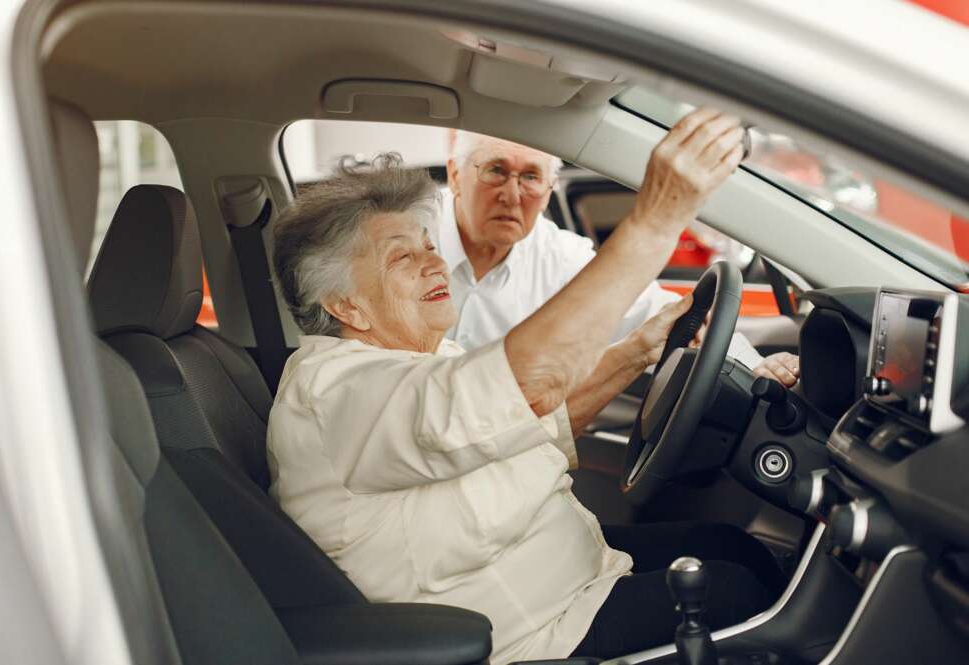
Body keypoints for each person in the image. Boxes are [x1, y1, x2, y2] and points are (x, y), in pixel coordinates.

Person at [268, 110, 784, 664]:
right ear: (345, 304)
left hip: (574, 576)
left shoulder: (412, 358)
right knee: (744, 594)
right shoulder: (336, 391)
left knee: (738, 550)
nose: (433, 262)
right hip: (529, 633)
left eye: (428, 244)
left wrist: (642, 347)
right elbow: (528, 387)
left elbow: (531, 420)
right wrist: (656, 219)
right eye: (402, 256)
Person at [440, 129, 801, 387]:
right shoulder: (405, 236)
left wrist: (755, 368)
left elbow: (665, 314)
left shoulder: (560, 257)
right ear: (455, 176)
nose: (512, 195)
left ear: (549, 191)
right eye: (496, 170)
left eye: (531, 176)